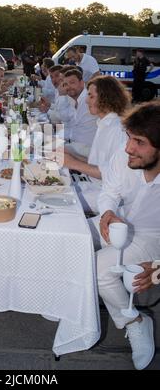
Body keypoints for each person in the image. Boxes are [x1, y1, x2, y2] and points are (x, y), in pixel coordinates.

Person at [95, 101, 160, 370]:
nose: (128, 148)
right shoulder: (124, 158)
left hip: (153, 236)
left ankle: (135, 321)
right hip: (122, 220)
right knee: (67, 235)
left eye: (140, 142)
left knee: (98, 270)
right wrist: (107, 212)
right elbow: (109, 192)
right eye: (129, 138)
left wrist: (158, 269)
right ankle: (72, 304)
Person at [63, 75, 130, 212]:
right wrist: (70, 156)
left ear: (107, 98)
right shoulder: (104, 124)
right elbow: (98, 162)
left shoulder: (117, 129)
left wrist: (72, 163)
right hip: (91, 185)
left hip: (106, 196)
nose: (87, 101)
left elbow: (113, 174)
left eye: (91, 96)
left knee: (59, 203)